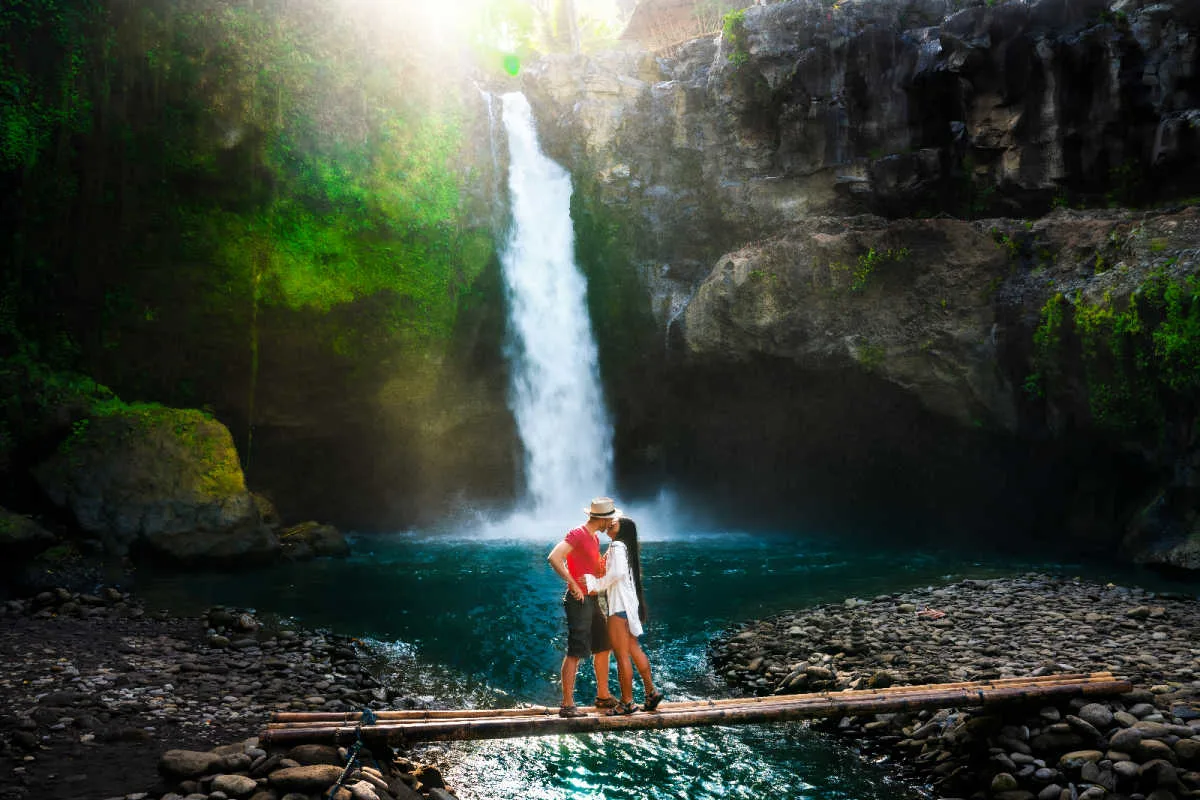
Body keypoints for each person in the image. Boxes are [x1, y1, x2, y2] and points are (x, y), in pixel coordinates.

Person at [582, 516, 664, 716]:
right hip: (628, 607)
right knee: (634, 648)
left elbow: (617, 573)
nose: (611, 523)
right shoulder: (624, 547)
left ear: (622, 529)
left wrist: (594, 583)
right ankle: (651, 692)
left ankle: (627, 702)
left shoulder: (617, 546)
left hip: (619, 608)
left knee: (621, 656)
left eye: (615, 522)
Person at [546, 497, 619, 718]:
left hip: (593, 599)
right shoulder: (577, 533)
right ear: (603, 519)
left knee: (604, 646)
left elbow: (592, 566)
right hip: (579, 601)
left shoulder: (594, 538)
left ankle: (603, 696)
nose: (612, 522)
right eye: (610, 519)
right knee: (576, 652)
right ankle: (567, 705)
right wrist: (573, 583)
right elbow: (554, 557)